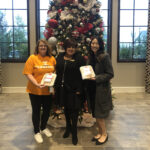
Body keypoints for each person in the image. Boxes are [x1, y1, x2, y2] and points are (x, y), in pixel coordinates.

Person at [23, 39, 56, 143]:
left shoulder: (51, 59)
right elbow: (28, 73)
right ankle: (36, 132)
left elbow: (54, 72)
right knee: (36, 111)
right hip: (35, 90)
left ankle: (43, 127)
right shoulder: (32, 58)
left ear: (47, 48)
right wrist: (36, 84)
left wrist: (53, 86)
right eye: (41, 46)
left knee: (46, 111)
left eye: (45, 46)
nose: (43, 47)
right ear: (37, 47)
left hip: (47, 91)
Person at [54, 39, 85, 145]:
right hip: (62, 89)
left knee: (75, 111)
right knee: (66, 109)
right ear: (66, 48)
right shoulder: (59, 57)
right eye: (69, 47)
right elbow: (57, 71)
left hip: (75, 90)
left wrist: (80, 89)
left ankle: (74, 133)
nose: (71, 49)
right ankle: (68, 128)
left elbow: (83, 75)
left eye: (73, 47)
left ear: (75, 48)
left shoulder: (79, 58)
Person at [87, 37, 114, 145]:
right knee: (95, 112)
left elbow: (110, 74)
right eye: (92, 43)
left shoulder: (105, 56)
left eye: (96, 43)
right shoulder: (91, 56)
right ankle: (99, 132)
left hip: (101, 89)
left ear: (100, 45)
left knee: (100, 114)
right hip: (92, 88)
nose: (94, 45)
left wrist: (96, 78)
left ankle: (104, 134)